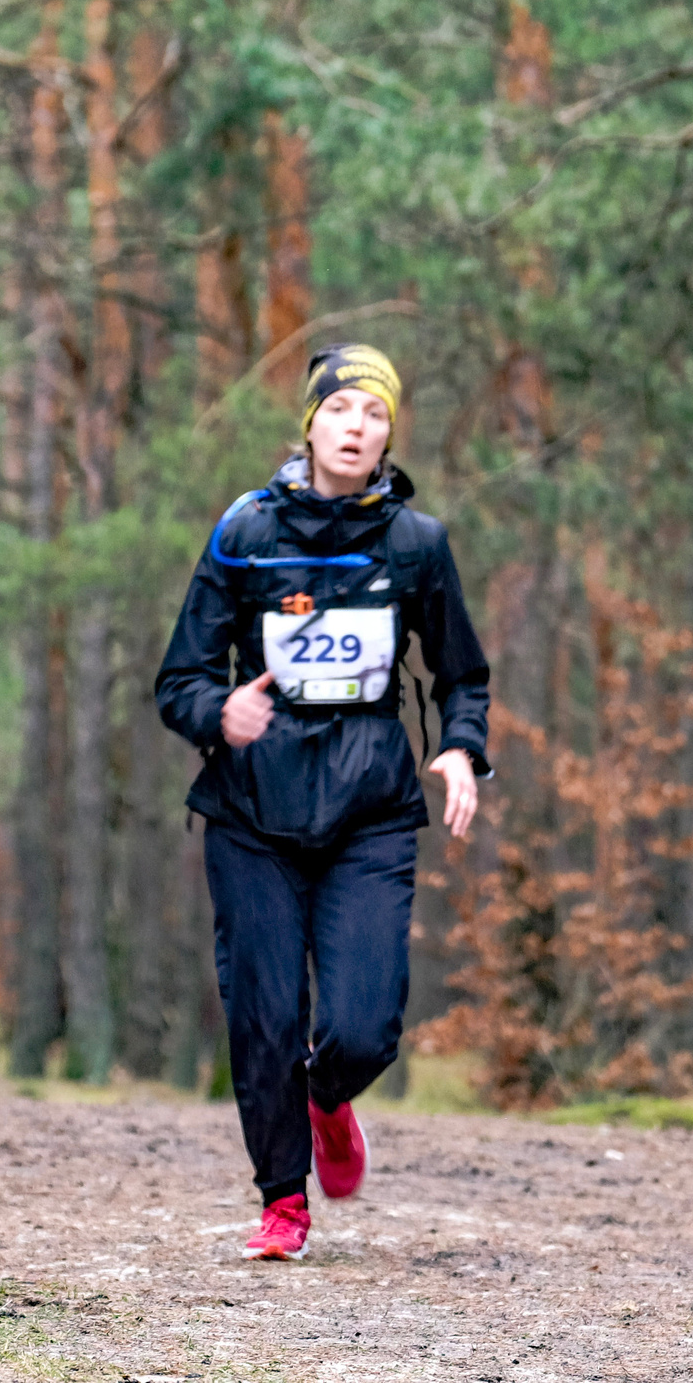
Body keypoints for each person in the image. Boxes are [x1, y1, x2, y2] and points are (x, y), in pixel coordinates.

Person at [154, 343, 490, 1263]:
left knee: (361, 1024)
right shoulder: (245, 533)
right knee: (262, 1010)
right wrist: (219, 711)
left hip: (370, 808)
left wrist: (462, 749)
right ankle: (282, 1201)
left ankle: (329, 1095)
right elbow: (178, 677)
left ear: (389, 433)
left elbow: (462, 674)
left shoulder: (416, 543)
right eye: (340, 409)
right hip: (252, 810)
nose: (356, 426)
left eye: (374, 413)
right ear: (309, 422)